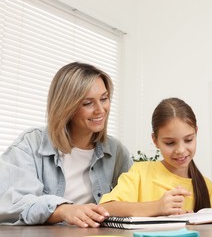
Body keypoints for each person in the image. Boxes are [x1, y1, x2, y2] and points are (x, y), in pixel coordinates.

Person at [0, 62, 132, 227]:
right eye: (87, 103)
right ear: (66, 106)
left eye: (104, 99)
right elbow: (10, 203)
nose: (100, 109)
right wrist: (63, 210)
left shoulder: (116, 151)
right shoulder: (30, 144)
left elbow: (133, 200)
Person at [99, 97, 212, 216]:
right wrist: (157, 207)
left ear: (196, 133)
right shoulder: (140, 173)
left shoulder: (208, 188)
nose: (180, 150)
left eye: (188, 140)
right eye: (170, 143)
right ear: (155, 140)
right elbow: (105, 208)